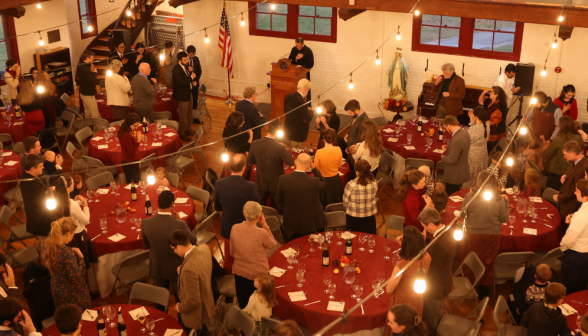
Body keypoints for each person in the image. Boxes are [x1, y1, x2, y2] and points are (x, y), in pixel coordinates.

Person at [459, 170, 509, 299]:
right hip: (491, 236)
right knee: (487, 261)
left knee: (470, 257)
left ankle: (468, 282)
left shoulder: (470, 197)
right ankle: (483, 286)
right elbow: (504, 219)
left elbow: (463, 214)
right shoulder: (499, 199)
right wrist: (506, 203)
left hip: (471, 234)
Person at [143, 191, 196, 311]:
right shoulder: (180, 224)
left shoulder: (146, 223)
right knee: (181, 302)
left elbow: (146, 245)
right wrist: (181, 221)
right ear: (172, 204)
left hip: (158, 267)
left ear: (158, 203)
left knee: (159, 304)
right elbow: (192, 240)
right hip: (177, 268)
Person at [214, 154, 260, 274]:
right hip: (245, 230)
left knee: (228, 260)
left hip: (227, 228)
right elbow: (257, 206)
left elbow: (217, 207)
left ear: (229, 166)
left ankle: (228, 284)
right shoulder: (250, 186)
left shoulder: (219, 183)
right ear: (244, 167)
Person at [230, 201, 277, 309]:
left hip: (240, 273)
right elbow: (273, 245)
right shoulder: (262, 233)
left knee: (244, 304)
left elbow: (232, 252)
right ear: (259, 215)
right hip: (259, 276)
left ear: (244, 213)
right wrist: (265, 225)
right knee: (261, 306)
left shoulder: (234, 228)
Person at [417, 208, 454, 336]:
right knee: (436, 311)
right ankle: (439, 325)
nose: (424, 229)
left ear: (431, 224)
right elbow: (435, 246)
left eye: (424, 226)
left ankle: (433, 333)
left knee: (429, 315)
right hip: (444, 279)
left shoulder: (439, 244)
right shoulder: (447, 230)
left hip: (435, 286)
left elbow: (433, 270)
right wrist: (425, 240)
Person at [170, 229, 214, 336]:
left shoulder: (188, 270)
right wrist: (183, 271)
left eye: (173, 249)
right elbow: (201, 268)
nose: (174, 252)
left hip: (197, 314)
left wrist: (179, 308)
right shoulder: (204, 248)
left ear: (179, 247)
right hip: (208, 301)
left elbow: (193, 299)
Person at [43, 217, 92, 310]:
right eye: (73, 233)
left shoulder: (49, 245)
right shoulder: (66, 252)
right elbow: (76, 276)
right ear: (68, 234)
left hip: (57, 289)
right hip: (72, 293)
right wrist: (81, 259)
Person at [276, 153, 327, 241]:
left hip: (291, 221)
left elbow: (279, 200)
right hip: (310, 222)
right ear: (308, 165)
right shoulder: (314, 181)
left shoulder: (283, 179)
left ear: (295, 162)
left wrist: (287, 211)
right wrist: (314, 168)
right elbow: (323, 182)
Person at [385, 226, 431, 319]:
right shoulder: (427, 256)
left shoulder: (402, 265)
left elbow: (389, 289)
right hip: (417, 298)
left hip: (402, 302)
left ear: (406, 244)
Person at [247, 119, 295, 206]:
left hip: (261, 182)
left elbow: (249, 161)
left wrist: (260, 160)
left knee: (260, 207)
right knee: (280, 207)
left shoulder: (255, 143)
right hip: (276, 183)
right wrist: (283, 148)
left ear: (267, 127)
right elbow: (291, 162)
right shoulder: (279, 147)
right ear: (278, 131)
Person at [54, 176, 96, 269]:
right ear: (67, 188)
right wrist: (85, 204)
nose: (74, 185)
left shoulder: (57, 201)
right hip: (77, 236)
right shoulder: (71, 204)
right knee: (80, 263)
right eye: (72, 183)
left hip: (64, 236)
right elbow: (86, 221)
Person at [560, 179, 588, 294]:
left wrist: (562, 248)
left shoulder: (580, 215)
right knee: (581, 287)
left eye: (577, 191)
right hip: (586, 256)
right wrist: (572, 222)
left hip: (575, 257)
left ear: (586, 195)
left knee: (569, 289)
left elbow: (569, 240)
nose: (575, 193)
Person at [553, 140, 588, 229]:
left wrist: (559, 197)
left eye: (566, 155)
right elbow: (573, 177)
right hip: (566, 205)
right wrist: (566, 178)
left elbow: (575, 190)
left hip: (571, 207)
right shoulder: (577, 162)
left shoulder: (584, 167)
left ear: (573, 153)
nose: (564, 157)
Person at [544, 117, 584, 190]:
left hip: (556, 171)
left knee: (551, 194)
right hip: (571, 172)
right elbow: (581, 147)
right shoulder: (578, 138)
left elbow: (549, 154)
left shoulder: (558, 139)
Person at [22, 154, 54, 242]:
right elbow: (43, 204)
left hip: (39, 218)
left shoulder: (27, 176)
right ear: (32, 168)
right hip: (41, 222)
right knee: (46, 246)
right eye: (40, 166)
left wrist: (48, 190)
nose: (42, 168)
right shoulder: (32, 185)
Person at [343, 160, 377, 234]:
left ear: (357, 172)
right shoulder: (374, 182)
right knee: (370, 239)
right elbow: (374, 196)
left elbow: (345, 203)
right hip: (370, 217)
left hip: (353, 218)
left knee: (354, 241)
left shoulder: (351, 184)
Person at [440, 115, 471, 195]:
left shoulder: (456, 140)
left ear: (449, 125)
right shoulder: (464, 132)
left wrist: (443, 157)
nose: (446, 130)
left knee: (451, 196)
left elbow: (452, 160)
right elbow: (461, 149)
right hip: (462, 171)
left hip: (454, 175)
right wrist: (449, 148)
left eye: (446, 128)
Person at [315, 129, 343, 207]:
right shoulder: (338, 149)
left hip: (323, 180)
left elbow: (316, 168)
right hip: (335, 180)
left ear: (323, 138)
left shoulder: (319, 152)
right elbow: (339, 165)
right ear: (334, 139)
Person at [172, 51, 197, 141]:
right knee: (183, 117)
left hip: (188, 92)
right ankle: (182, 133)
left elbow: (186, 79)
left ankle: (187, 129)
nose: (187, 61)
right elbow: (182, 83)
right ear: (179, 60)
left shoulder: (185, 67)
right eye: (185, 60)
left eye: (187, 59)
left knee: (190, 114)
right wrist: (191, 78)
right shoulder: (176, 69)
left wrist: (192, 82)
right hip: (182, 95)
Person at [284, 79, 313, 148]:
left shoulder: (288, 96)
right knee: (296, 154)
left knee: (289, 152)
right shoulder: (302, 101)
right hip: (297, 135)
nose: (307, 93)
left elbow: (286, 110)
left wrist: (306, 109)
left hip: (287, 131)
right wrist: (311, 112)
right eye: (308, 90)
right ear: (306, 89)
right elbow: (306, 120)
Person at [478, 86, 508, 152]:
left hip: (495, 134)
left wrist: (479, 123)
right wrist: (483, 93)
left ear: (496, 94)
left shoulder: (500, 106)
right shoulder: (490, 101)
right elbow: (480, 101)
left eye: (491, 92)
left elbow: (493, 122)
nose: (489, 93)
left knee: (492, 152)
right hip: (488, 131)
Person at [466, 107, 489, 186]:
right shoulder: (487, 126)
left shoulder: (472, 130)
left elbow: (466, 141)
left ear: (476, 117)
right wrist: (472, 121)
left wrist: (472, 121)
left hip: (474, 156)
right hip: (483, 154)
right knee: (480, 175)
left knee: (472, 176)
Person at [117, 113, 143, 183]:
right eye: (135, 126)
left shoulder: (128, 131)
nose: (136, 128)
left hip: (132, 161)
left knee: (135, 182)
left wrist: (138, 160)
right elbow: (131, 152)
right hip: (130, 163)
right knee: (134, 183)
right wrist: (138, 141)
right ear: (130, 123)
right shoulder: (126, 135)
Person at [76, 50, 100, 119]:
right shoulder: (85, 69)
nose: (93, 59)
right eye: (92, 58)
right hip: (88, 94)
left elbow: (87, 80)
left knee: (88, 112)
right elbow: (91, 81)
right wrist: (95, 73)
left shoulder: (83, 67)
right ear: (87, 58)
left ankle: (89, 127)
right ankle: (98, 129)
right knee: (95, 114)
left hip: (84, 93)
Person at [186, 45, 202, 110]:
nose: (193, 56)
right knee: (188, 99)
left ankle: (194, 114)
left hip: (195, 83)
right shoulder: (184, 60)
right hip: (187, 83)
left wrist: (196, 80)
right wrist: (191, 80)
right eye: (191, 54)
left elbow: (199, 71)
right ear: (187, 53)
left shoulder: (196, 59)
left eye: (194, 54)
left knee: (195, 99)